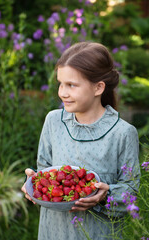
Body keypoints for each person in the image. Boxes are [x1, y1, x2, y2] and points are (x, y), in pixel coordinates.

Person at [21, 42, 140, 240]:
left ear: (98, 87)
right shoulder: (53, 121)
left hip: (98, 234)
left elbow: (132, 191)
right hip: (53, 231)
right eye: (61, 83)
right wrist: (33, 181)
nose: (62, 92)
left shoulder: (122, 133)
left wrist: (105, 196)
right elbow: (45, 168)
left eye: (72, 85)